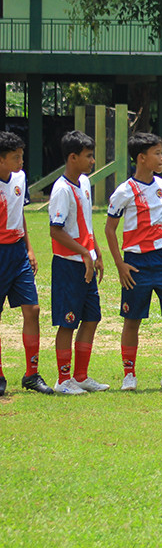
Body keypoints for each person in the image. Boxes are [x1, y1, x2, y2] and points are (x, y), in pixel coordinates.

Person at [105, 132, 162, 391]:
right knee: (132, 320)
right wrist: (120, 264)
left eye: (161, 152)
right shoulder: (124, 192)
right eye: (157, 153)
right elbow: (110, 229)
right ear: (141, 158)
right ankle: (129, 375)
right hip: (136, 263)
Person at [49, 130, 108, 394]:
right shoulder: (61, 189)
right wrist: (84, 253)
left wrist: (95, 251)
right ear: (73, 157)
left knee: (92, 318)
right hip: (68, 264)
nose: (92, 161)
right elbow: (56, 230)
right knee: (67, 321)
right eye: (89, 156)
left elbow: (86, 221)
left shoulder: (84, 182)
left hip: (86, 261)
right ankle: (63, 380)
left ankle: (81, 376)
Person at [0, 131, 53, 397]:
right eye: (16, 157)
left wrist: (30, 249)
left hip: (18, 252)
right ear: (1, 160)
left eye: (22, 156)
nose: (21, 161)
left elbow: (19, 213)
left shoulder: (20, 179)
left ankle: (31, 374)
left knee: (32, 310)